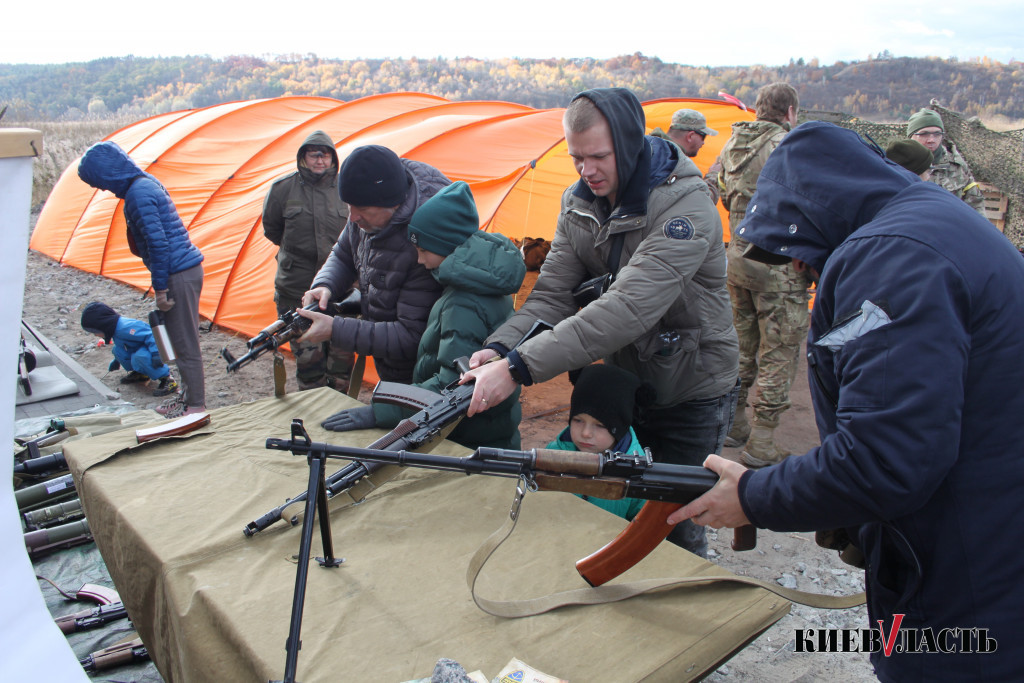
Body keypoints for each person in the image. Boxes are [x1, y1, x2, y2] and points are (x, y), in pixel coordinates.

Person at [669, 121, 1024, 681]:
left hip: (974, 569)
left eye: (796, 249)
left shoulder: (892, 257)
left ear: (820, 214)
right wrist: (857, 517)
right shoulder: (923, 222)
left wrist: (755, 496)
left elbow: (886, 458)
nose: (797, 267)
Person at [461, 88, 739, 558]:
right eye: (576, 159)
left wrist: (517, 369)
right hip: (629, 389)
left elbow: (628, 307)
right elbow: (552, 295)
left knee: (675, 521)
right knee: (621, 507)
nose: (587, 171)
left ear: (630, 145)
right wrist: (500, 348)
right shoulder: (580, 203)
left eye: (598, 157)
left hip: (694, 390)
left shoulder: (684, 208)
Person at [320, 181, 526, 449]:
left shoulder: (463, 303)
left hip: (466, 439)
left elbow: (452, 390)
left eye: (423, 250)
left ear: (447, 246)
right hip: (487, 431)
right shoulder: (481, 282)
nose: (418, 260)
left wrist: (379, 412)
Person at [296, 145, 450, 383]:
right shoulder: (366, 215)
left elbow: (412, 335)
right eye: (349, 207)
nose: (353, 218)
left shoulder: (424, 242)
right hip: (387, 359)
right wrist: (325, 285)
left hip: (424, 375)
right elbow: (343, 252)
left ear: (393, 203)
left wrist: (337, 330)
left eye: (363, 210)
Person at [718, 82, 811, 467]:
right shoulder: (790, 147)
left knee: (742, 345)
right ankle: (762, 442)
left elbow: (723, 193)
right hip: (780, 265)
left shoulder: (731, 144)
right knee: (780, 350)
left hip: (738, 259)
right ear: (790, 111)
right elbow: (808, 203)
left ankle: (733, 423)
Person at [78, 141, 206, 418]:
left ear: (107, 172)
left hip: (177, 273)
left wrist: (160, 288)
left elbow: (158, 244)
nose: (101, 188)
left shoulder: (139, 193)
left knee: (184, 343)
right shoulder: (145, 184)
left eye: (98, 181)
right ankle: (186, 398)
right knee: (177, 339)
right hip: (180, 269)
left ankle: (195, 406)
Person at [262, 131, 355, 392]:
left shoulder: (345, 188)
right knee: (307, 358)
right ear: (303, 157)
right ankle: (313, 410)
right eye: (313, 154)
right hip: (296, 288)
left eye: (325, 154)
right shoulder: (282, 189)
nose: (319, 160)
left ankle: (339, 405)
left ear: (333, 158)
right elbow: (272, 229)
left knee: (342, 357)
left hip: (342, 291)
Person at [547, 363, 655, 520]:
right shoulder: (553, 454)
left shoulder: (637, 472)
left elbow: (646, 529)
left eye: (600, 425)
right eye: (578, 420)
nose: (586, 433)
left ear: (621, 427)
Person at [80, 301, 178, 397]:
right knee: (117, 351)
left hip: (150, 349)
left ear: (104, 325)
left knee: (140, 356)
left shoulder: (126, 328)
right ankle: (142, 373)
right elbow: (123, 347)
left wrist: (156, 354)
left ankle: (167, 379)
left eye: (95, 331)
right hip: (137, 349)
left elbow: (151, 335)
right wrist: (117, 360)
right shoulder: (115, 330)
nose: (96, 335)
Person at [907, 108, 985, 214]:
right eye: (924, 134)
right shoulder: (898, 164)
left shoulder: (957, 166)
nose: (931, 140)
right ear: (911, 136)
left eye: (937, 134)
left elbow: (975, 204)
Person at [650, 108, 720, 203]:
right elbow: (701, 201)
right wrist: (713, 177)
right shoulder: (674, 162)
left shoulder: (652, 150)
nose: (703, 143)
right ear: (690, 136)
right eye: (703, 136)